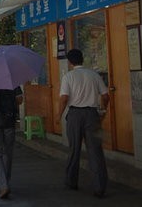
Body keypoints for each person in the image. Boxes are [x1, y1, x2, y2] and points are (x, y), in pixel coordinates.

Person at [58, 48, 109, 198]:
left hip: (74, 115)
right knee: (96, 151)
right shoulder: (94, 75)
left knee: (74, 149)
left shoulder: (68, 76)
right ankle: (100, 187)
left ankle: (71, 181)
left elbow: (64, 98)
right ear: (82, 59)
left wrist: (58, 115)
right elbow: (106, 96)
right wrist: (103, 111)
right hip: (92, 115)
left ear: (70, 61)